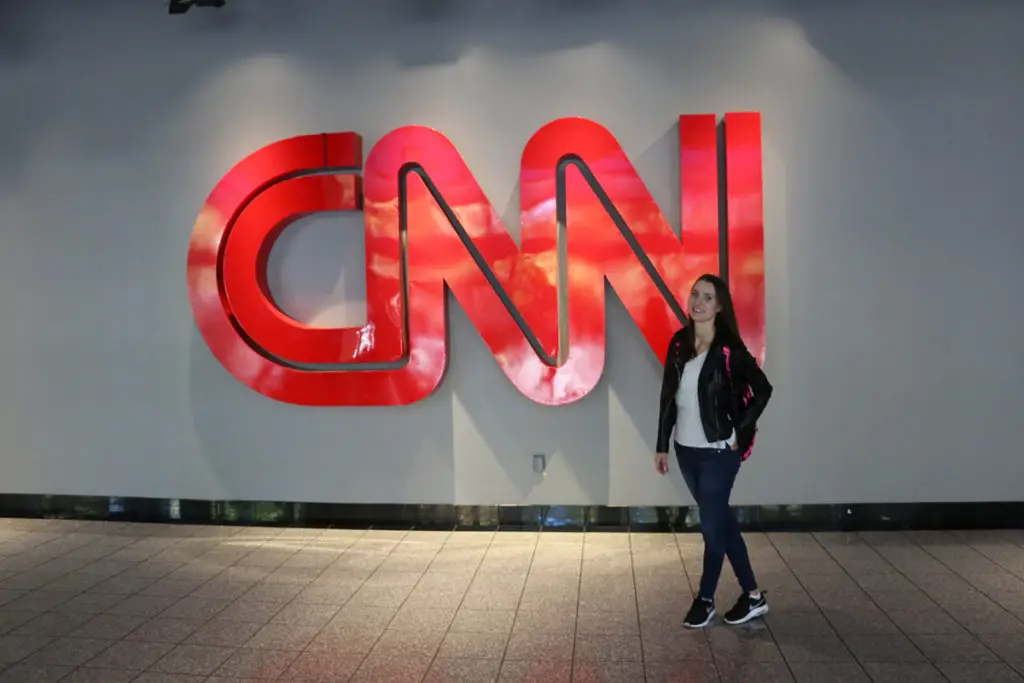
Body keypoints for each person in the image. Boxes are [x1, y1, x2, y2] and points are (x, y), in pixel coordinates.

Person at [654, 273, 773, 628]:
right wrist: (662, 444)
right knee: (720, 520)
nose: (698, 302)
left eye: (707, 297)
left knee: (710, 526)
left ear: (719, 306)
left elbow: (763, 389)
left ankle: (705, 599)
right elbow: (668, 398)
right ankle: (753, 596)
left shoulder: (729, 350)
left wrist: (741, 430)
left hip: (720, 452)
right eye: (694, 295)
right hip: (686, 451)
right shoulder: (679, 344)